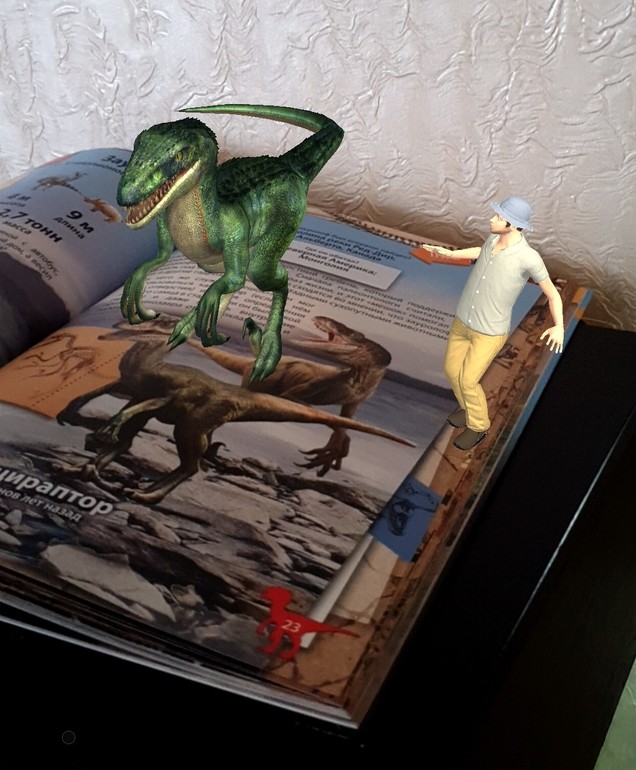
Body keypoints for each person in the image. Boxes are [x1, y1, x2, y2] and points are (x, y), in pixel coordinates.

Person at [427, 195, 564, 451]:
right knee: (452, 371)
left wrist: (559, 326)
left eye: (499, 217)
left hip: (488, 332)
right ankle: (468, 408)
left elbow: (552, 293)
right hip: (463, 321)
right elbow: (481, 252)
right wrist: (451, 254)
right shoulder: (492, 239)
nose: (492, 219)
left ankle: (478, 426)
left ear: (512, 224)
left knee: (468, 380)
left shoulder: (528, 258)